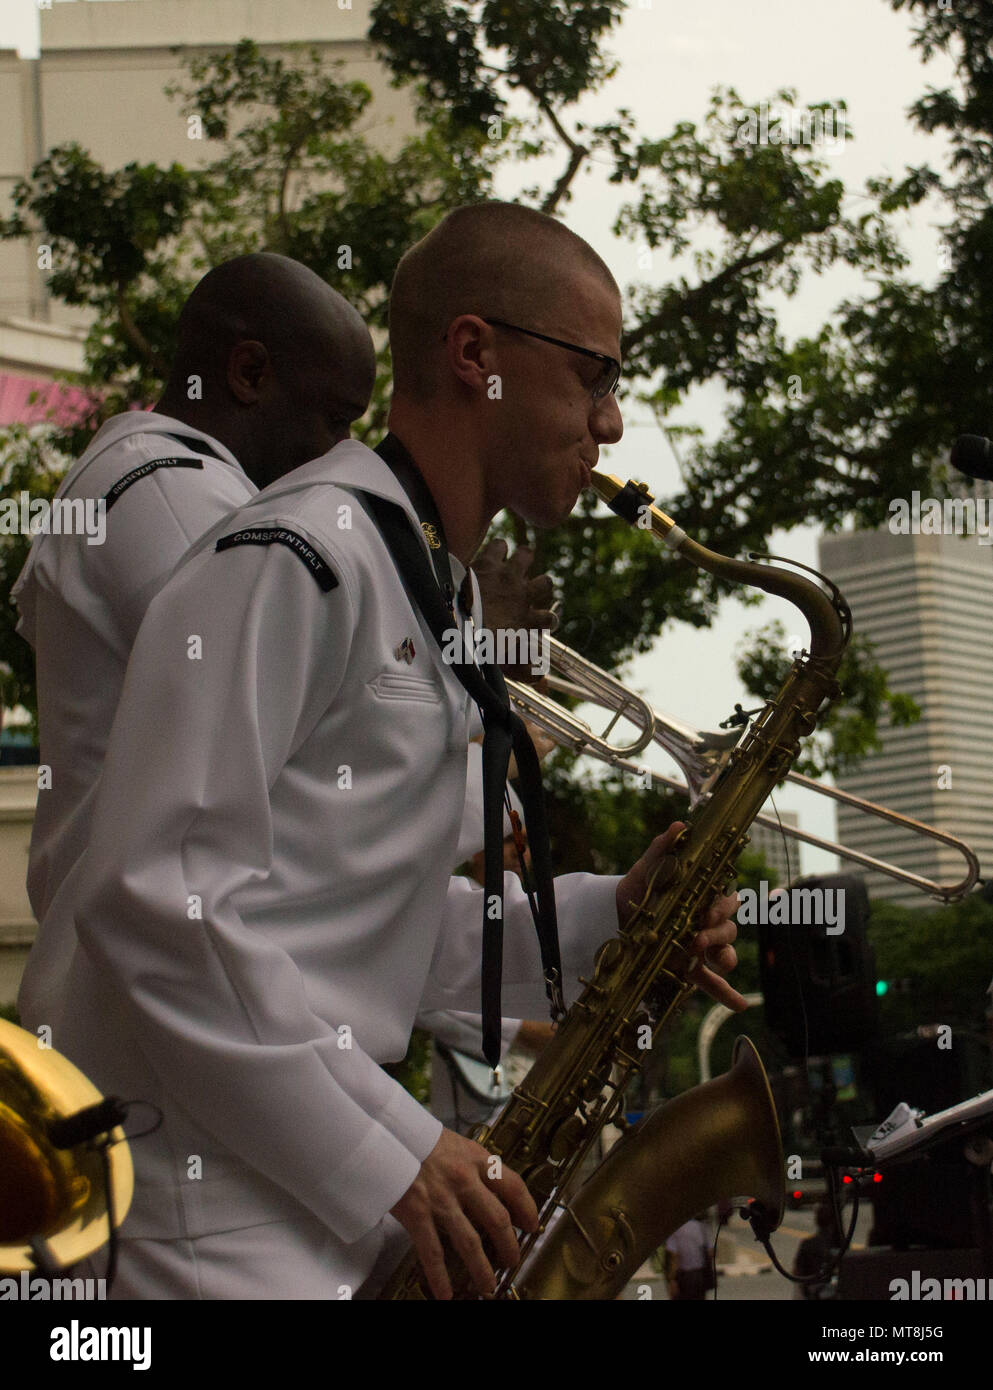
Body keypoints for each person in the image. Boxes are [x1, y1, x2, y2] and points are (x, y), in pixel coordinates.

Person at [54, 202, 743, 1301]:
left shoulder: (429, 583)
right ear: (478, 355)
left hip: (294, 1190)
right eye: (594, 373)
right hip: (199, 1200)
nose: (610, 422)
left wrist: (613, 913)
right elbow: (154, 899)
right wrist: (398, 1154)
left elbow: (379, 935)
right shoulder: (290, 553)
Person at [15, 253, 376, 1030]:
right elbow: (313, 767)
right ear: (248, 374)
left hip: (168, 1000)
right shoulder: (166, 483)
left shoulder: (186, 486)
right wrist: (458, 648)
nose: (347, 454)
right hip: (150, 1011)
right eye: (336, 420)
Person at [664, 1215, 715, 1300]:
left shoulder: (675, 1229)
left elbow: (674, 1256)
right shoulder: (701, 1226)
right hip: (700, 1275)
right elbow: (711, 1252)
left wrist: (672, 1280)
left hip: (684, 1277)